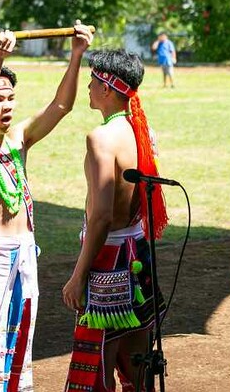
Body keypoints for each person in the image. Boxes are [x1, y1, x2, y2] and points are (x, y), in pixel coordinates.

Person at [0, 22, 92, 392]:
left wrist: (77, 55)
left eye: (10, 97)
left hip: (25, 252)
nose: (6, 105)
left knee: (20, 340)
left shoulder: (19, 139)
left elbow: (61, 106)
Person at [62, 49, 168, 391]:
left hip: (108, 260)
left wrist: (78, 276)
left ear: (107, 88)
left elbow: (102, 217)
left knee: (97, 371)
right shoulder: (140, 131)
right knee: (139, 370)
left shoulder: (101, 138)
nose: (89, 87)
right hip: (138, 252)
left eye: (92, 81)